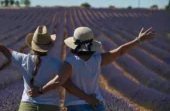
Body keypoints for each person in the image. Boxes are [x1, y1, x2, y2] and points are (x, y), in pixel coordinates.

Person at [0, 24, 99, 111]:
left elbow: (3, 49)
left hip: (27, 106)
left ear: (32, 45)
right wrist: (88, 98)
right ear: (49, 45)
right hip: (50, 107)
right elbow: (66, 84)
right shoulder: (56, 63)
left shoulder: (23, 59)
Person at [27, 26, 156, 111]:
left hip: (77, 106)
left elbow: (58, 81)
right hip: (97, 105)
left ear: (74, 45)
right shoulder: (98, 60)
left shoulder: (70, 63)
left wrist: (40, 91)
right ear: (91, 46)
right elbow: (120, 51)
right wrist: (138, 40)